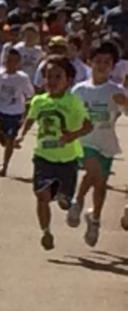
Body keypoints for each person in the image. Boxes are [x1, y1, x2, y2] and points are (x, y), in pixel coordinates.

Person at [19, 56, 93, 251]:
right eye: (48, 76)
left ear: (68, 80)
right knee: (41, 195)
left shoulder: (73, 102)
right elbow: (30, 118)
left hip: (67, 159)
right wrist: (21, 135)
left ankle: (64, 197)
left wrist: (72, 136)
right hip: (43, 157)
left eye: (57, 77)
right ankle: (46, 232)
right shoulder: (39, 101)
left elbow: (88, 126)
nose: (52, 81)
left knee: (64, 201)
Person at [68, 42, 127, 246]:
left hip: (106, 142)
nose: (102, 66)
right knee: (92, 169)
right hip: (85, 140)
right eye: (98, 61)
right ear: (90, 62)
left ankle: (94, 220)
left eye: (107, 62)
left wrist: (124, 102)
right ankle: (77, 201)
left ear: (113, 67)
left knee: (100, 184)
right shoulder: (80, 90)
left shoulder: (115, 90)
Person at [0, 48, 35, 177]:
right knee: (2, 140)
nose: (11, 63)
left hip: (16, 112)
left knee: (10, 137)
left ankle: (5, 164)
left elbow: (30, 93)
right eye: (9, 60)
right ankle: (10, 144)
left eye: (14, 61)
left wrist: (28, 106)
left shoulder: (22, 78)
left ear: (19, 63)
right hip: (1, 111)